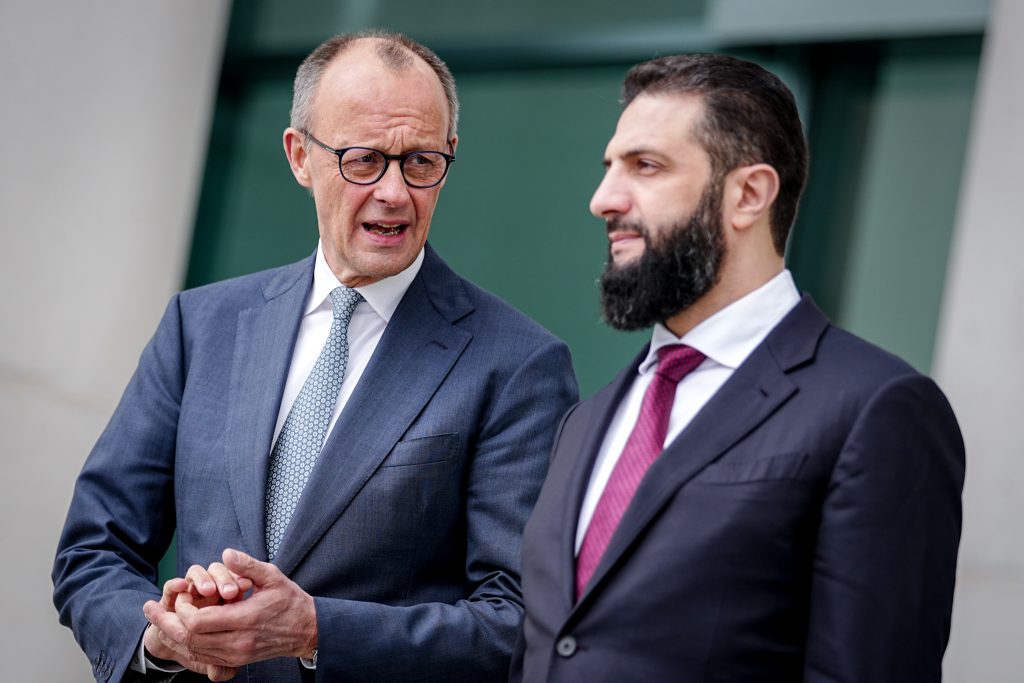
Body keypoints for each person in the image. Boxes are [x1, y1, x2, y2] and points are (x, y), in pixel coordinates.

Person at [53, 31, 577, 683]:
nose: (393, 192)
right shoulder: (201, 325)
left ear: (450, 157)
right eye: (364, 160)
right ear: (300, 155)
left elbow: (518, 620)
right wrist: (165, 637)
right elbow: (93, 549)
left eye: (420, 162)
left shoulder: (519, 365)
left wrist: (316, 630)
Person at [511, 53, 964, 683]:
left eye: (646, 166)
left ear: (749, 193)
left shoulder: (876, 409)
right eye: (609, 168)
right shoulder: (583, 423)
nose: (603, 199)